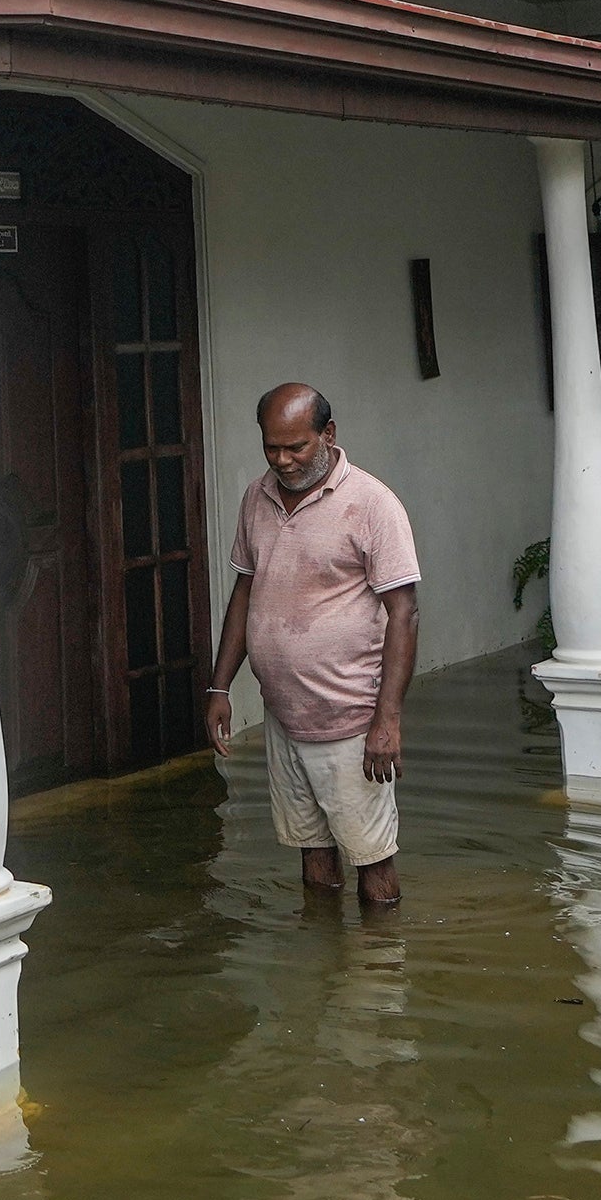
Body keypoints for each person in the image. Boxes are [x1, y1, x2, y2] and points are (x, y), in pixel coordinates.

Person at [204, 382, 419, 907]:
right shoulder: (257, 497)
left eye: (295, 447)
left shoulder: (372, 504)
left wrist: (386, 719)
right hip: (285, 715)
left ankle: (379, 972)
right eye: (270, 447)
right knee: (311, 855)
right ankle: (321, 966)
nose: (281, 460)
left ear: (328, 434)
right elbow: (244, 592)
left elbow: (404, 612)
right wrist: (219, 686)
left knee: (373, 862)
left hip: (350, 719)